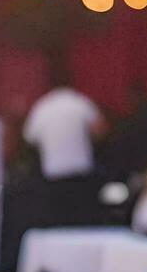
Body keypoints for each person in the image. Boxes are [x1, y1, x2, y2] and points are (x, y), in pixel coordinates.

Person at [22, 71, 107, 225]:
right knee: (81, 222)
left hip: (54, 173)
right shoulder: (80, 102)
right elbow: (100, 130)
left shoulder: (42, 107)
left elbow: (29, 139)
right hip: (81, 171)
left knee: (58, 224)